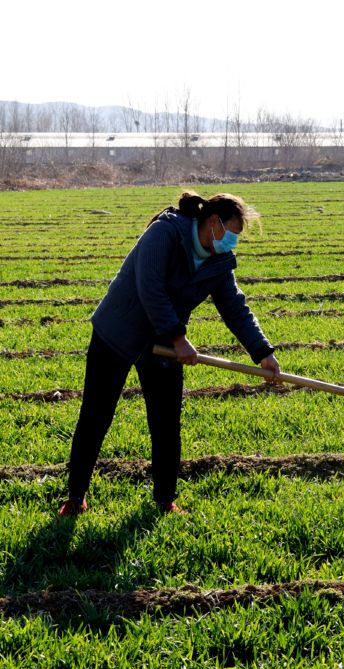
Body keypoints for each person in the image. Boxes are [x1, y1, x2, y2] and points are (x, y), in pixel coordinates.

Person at [58, 192, 282, 517]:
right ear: (212, 222)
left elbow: (235, 307)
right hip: (119, 330)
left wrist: (262, 352)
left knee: (165, 423)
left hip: (162, 343)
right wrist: (178, 337)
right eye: (231, 232)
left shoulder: (219, 262)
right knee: (96, 415)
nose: (232, 241)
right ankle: (75, 497)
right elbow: (150, 285)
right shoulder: (165, 232)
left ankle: (165, 500)